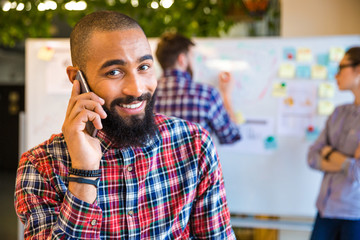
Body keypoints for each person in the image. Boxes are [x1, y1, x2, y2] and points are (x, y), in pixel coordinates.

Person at [14, 11, 236, 239]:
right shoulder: (41, 166)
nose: (137, 89)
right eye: (114, 72)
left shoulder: (194, 144)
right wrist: (83, 172)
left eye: (143, 67)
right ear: (77, 78)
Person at [307, 47, 360, 240]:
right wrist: (346, 160)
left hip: (355, 216)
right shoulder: (338, 112)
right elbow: (312, 157)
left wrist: (328, 152)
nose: (336, 75)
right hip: (325, 209)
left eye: (341, 67)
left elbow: (358, 172)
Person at [154, 32, 241, 144]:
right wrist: (226, 95)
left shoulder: (147, 94)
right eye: (192, 56)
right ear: (182, 59)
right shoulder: (206, 94)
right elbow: (231, 136)